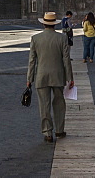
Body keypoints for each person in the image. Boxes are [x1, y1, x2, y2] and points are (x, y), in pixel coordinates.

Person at [26, 11, 75, 143]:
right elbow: (66, 60)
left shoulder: (36, 39)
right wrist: (70, 77)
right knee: (59, 103)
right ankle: (59, 130)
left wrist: (29, 79)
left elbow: (32, 61)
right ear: (55, 24)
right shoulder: (62, 38)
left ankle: (47, 132)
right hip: (58, 76)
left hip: (41, 76)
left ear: (43, 24)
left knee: (44, 105)